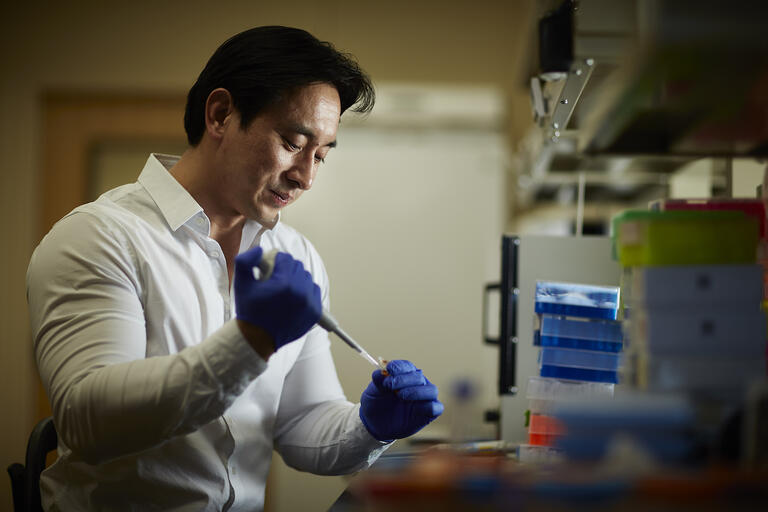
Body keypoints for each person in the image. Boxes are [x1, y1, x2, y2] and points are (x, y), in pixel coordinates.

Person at [26, 26, 443, 511]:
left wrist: (371, 428)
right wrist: (251, 342)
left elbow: (301, 425)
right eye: (292, 142)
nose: (306, 175)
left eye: (321, 155)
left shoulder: (295, 256)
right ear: (221, 114)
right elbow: (87, 421)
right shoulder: (99, 238)